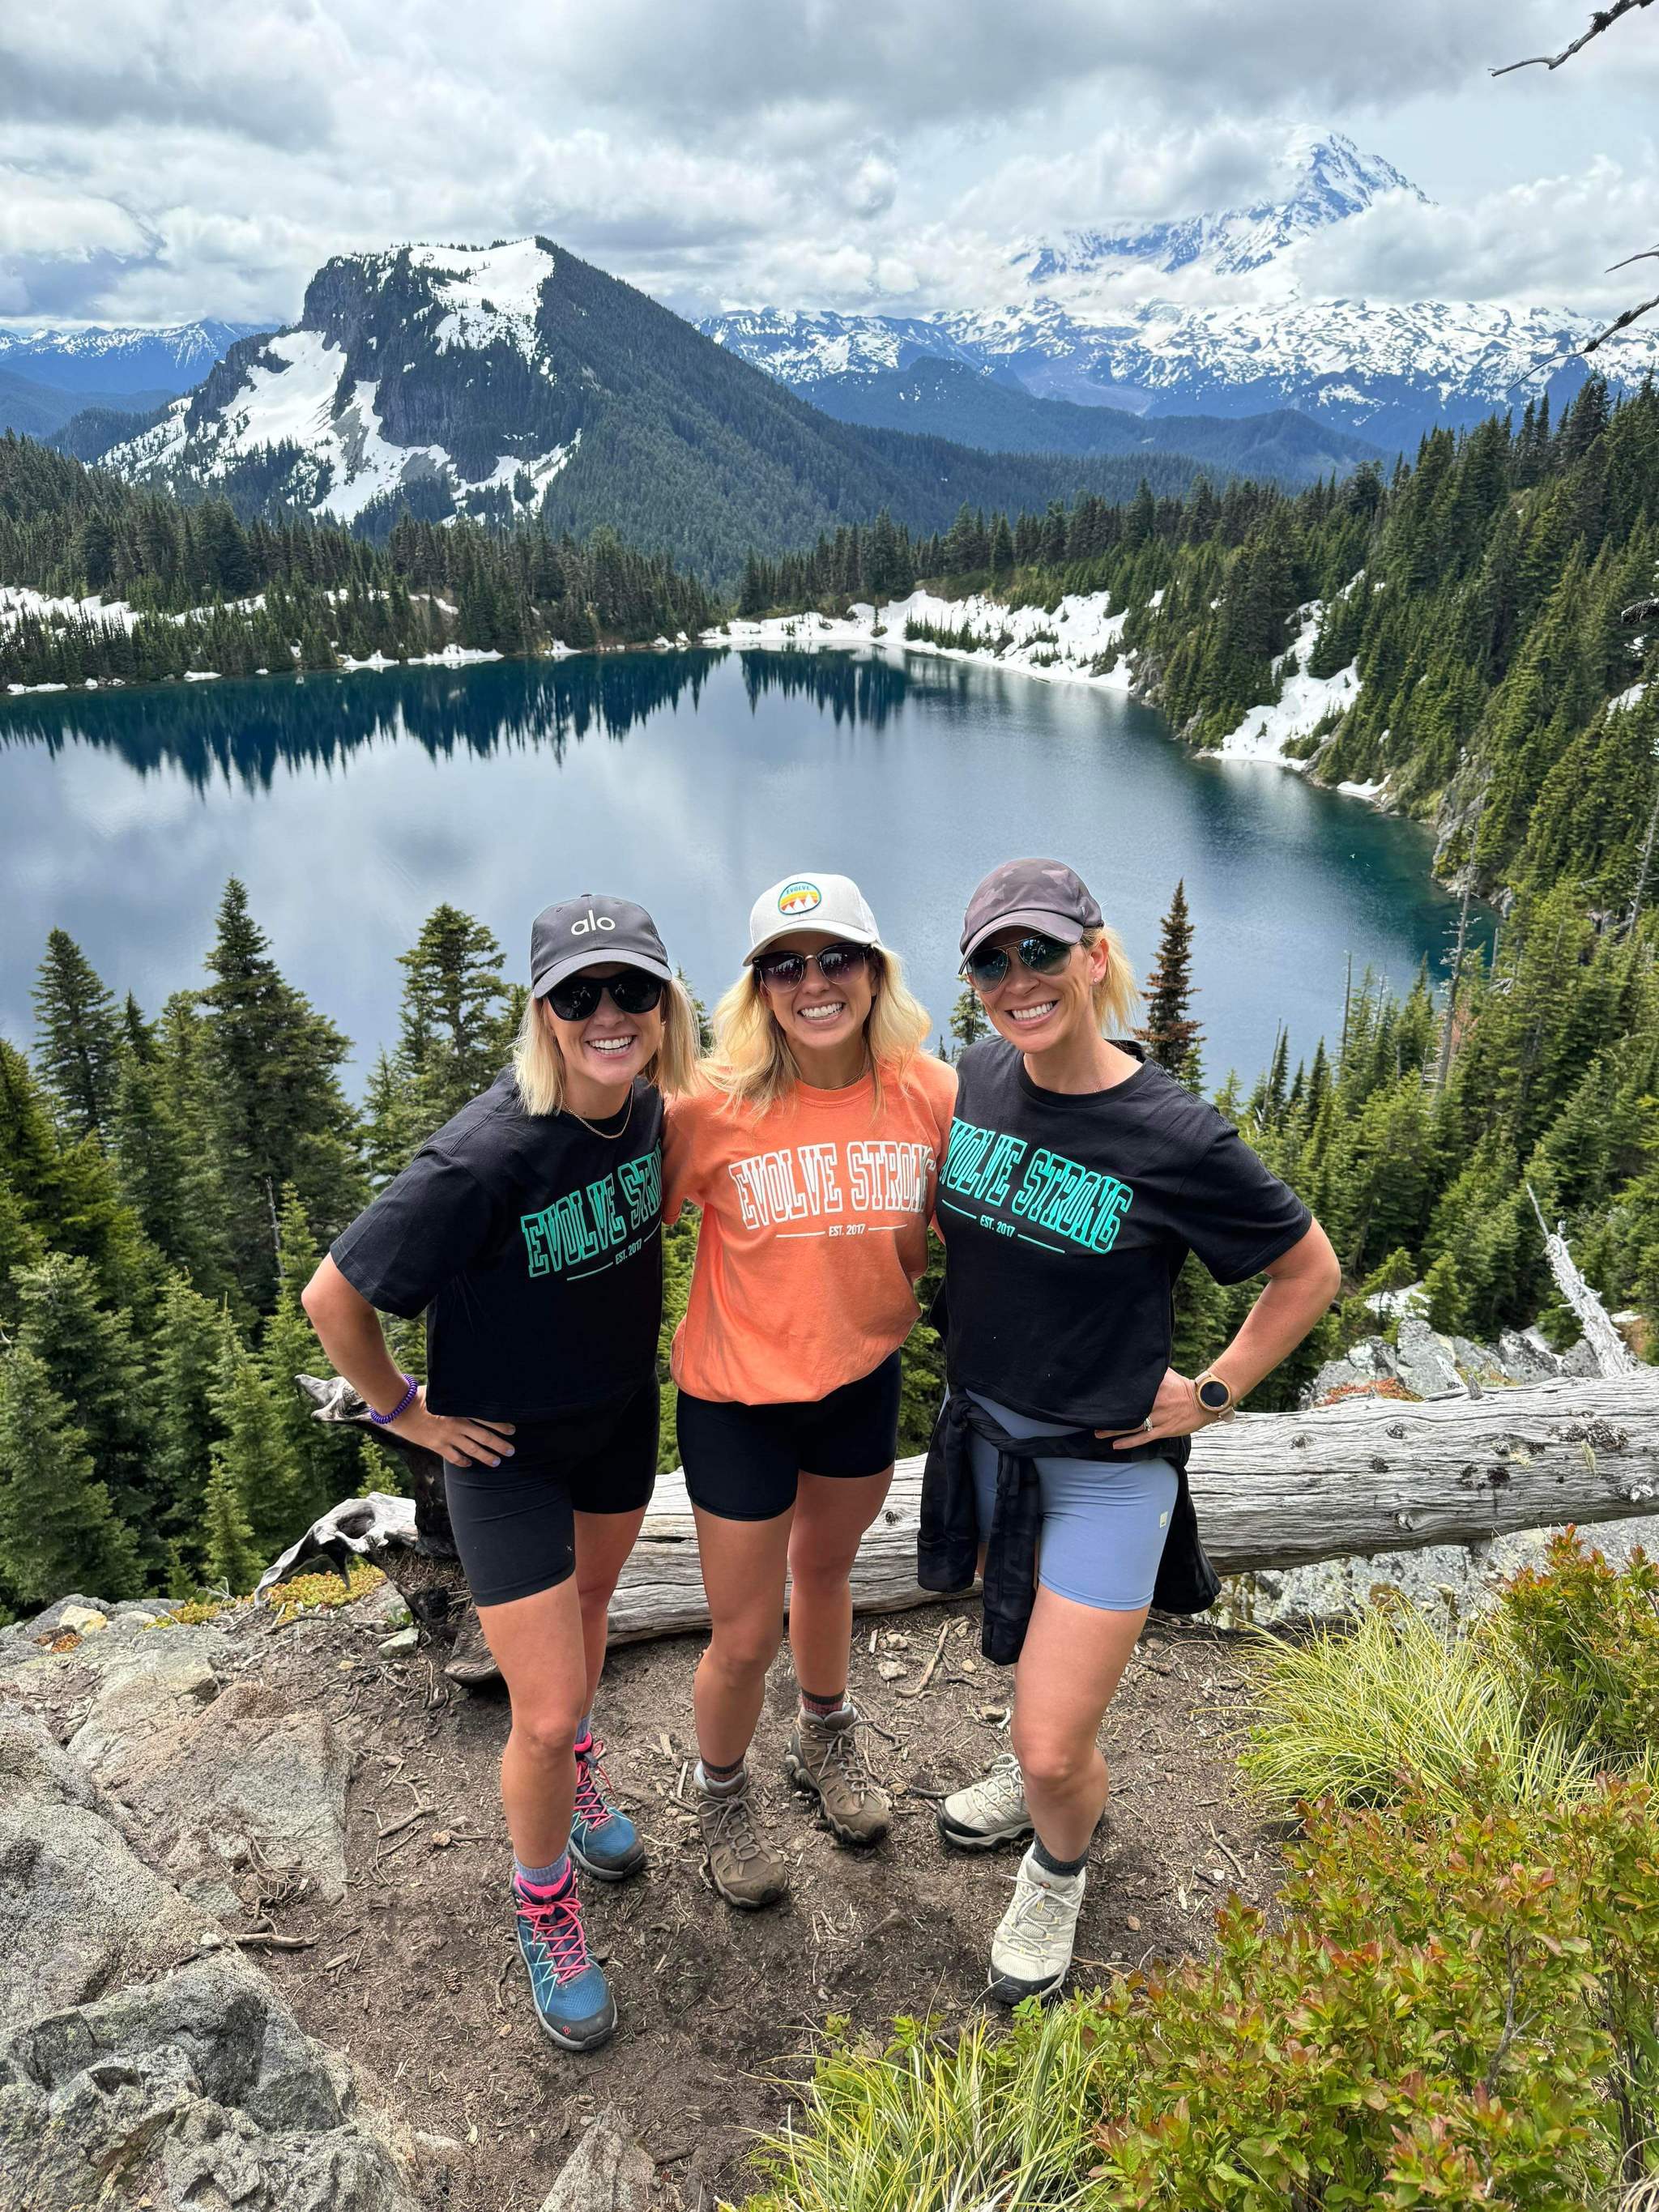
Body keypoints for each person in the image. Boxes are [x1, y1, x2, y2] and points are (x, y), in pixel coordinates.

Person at [925, 858, 1341, 2005]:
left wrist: (1210, 1390)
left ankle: (1059, 1860)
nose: (1020, 980)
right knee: (1025, 1680)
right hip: (989, 1446)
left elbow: (1308, 1270)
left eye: (1043, 951)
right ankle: (1034, 1777)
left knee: (1061, 1741)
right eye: (994, 962)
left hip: (1110, 1472)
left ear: (1096, 955)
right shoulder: (972, 1081)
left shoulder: (1173, 1131)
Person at [301, 895, 699, 2053]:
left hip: (620, 1423)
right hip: (506, 1457)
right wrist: (409, 1418)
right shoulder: (484, 1153)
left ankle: (579, 1787)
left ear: (665, 1006)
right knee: (548, 1702)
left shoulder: (647, 1113)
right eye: (578, 995)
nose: (608, 1014)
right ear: (543, 1014)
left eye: (632, 990)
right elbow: (336, 1298)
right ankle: (546, 1905)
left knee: (590, 1619)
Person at [663, 872, 957, 1907]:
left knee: (826, 1575)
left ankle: (821, 1737)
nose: (813, 982)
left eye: (837, 959)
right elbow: (619, 1216)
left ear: (874, 973)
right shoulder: (709, 1106)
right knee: (743, 1633)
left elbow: (951, 1231)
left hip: (858, 1381)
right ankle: (721, 1791)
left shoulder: (929, 1091)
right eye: (784, 966)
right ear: (759, 990)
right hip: (736, 1399)